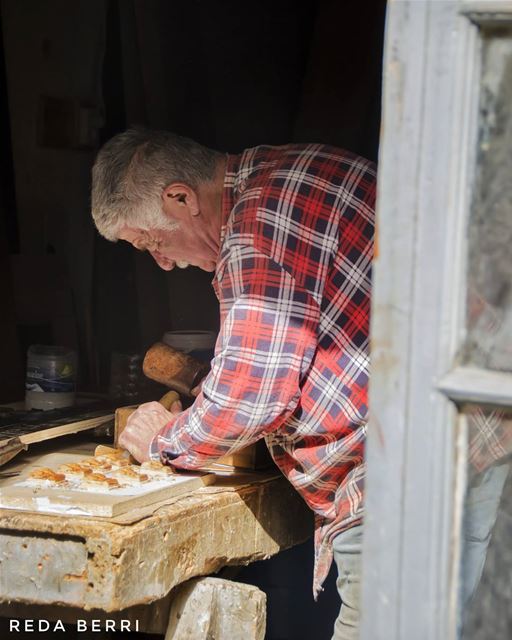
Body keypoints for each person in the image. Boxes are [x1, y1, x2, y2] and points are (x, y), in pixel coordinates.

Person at [91, 127, 376, 640]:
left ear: (180, 198)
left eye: (153, 241)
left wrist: (161, 439)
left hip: (396, 481)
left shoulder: (256, 225)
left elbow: (250, 396)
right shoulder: (293, 170)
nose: (164, 261)